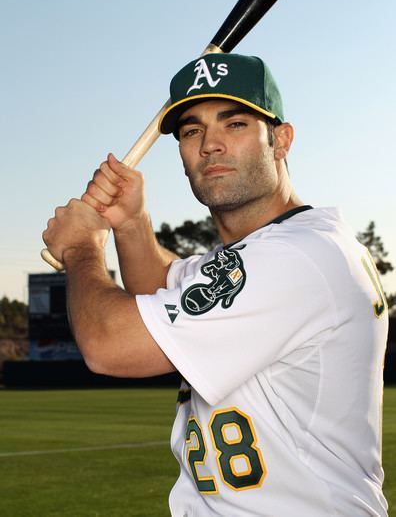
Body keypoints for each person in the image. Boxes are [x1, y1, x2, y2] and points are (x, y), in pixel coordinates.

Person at [43, 53, 389, 516]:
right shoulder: (265, 254)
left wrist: (82, 249)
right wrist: (131, 223)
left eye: (235, 124)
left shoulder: (298, 256)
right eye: (192, 130)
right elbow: (161, 286)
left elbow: (110, 345)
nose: (210, 145)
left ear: (281, 140)